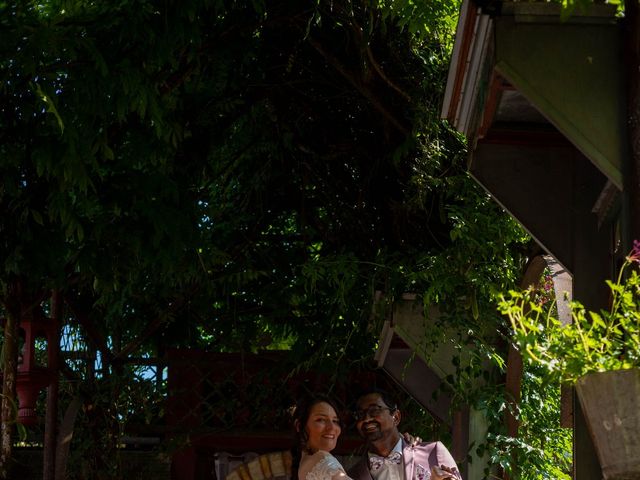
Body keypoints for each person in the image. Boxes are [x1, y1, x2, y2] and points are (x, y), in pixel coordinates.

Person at [347, 390, 461, 480]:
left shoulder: (433, 453)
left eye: (375, 410)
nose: (366, 419)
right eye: (360, 414)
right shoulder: (352, 476)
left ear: (396, 417)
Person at [292, 394, 352, 480]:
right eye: (321, 419)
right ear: (299, 425)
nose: (332, 427)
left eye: (335, 421)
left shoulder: (304, 465)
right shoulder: (324, 460)